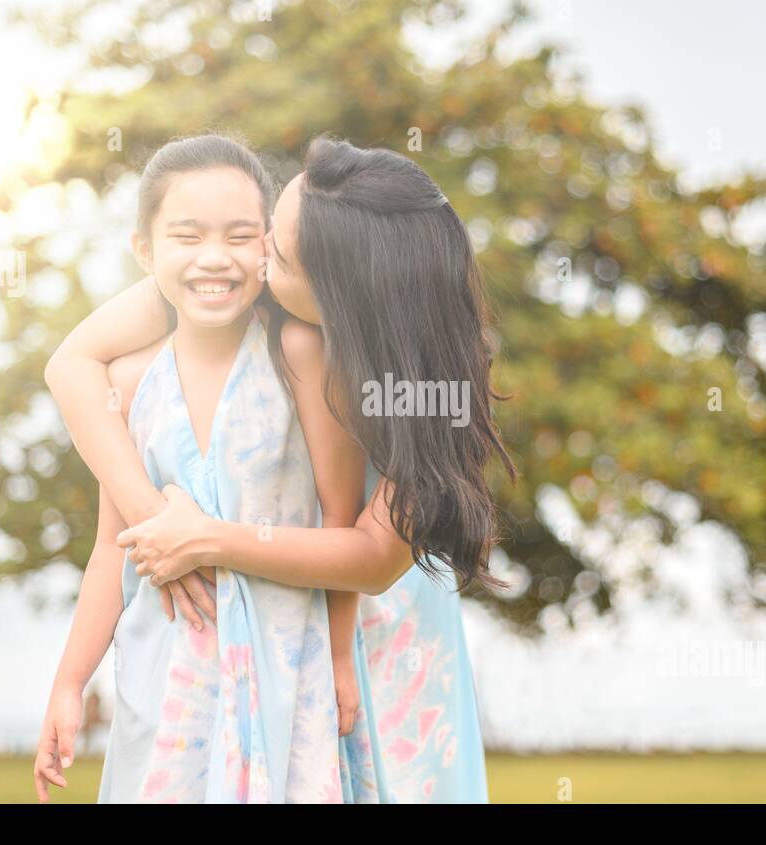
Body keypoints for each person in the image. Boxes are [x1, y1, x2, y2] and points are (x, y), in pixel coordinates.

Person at [44, 135, 516, 802]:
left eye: (278, 253)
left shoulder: (424, 390)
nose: (254, 256)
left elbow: (373, 556)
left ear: (340, 303)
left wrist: (205, 539)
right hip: (288, 618)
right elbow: (73, 366)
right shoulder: (244, 289)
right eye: (270, 229)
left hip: (379, 625)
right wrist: (157, 523)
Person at [34, 133, 383, 803]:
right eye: (187, 236)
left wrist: (340, 656)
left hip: (287, 670)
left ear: (268, 248)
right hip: (162, 680)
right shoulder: (133, 384)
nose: (214, 258)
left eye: (240, 235)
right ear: (146, 252)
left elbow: (341, 514)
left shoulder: (300, 354)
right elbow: (112, 549)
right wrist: (69, 683)